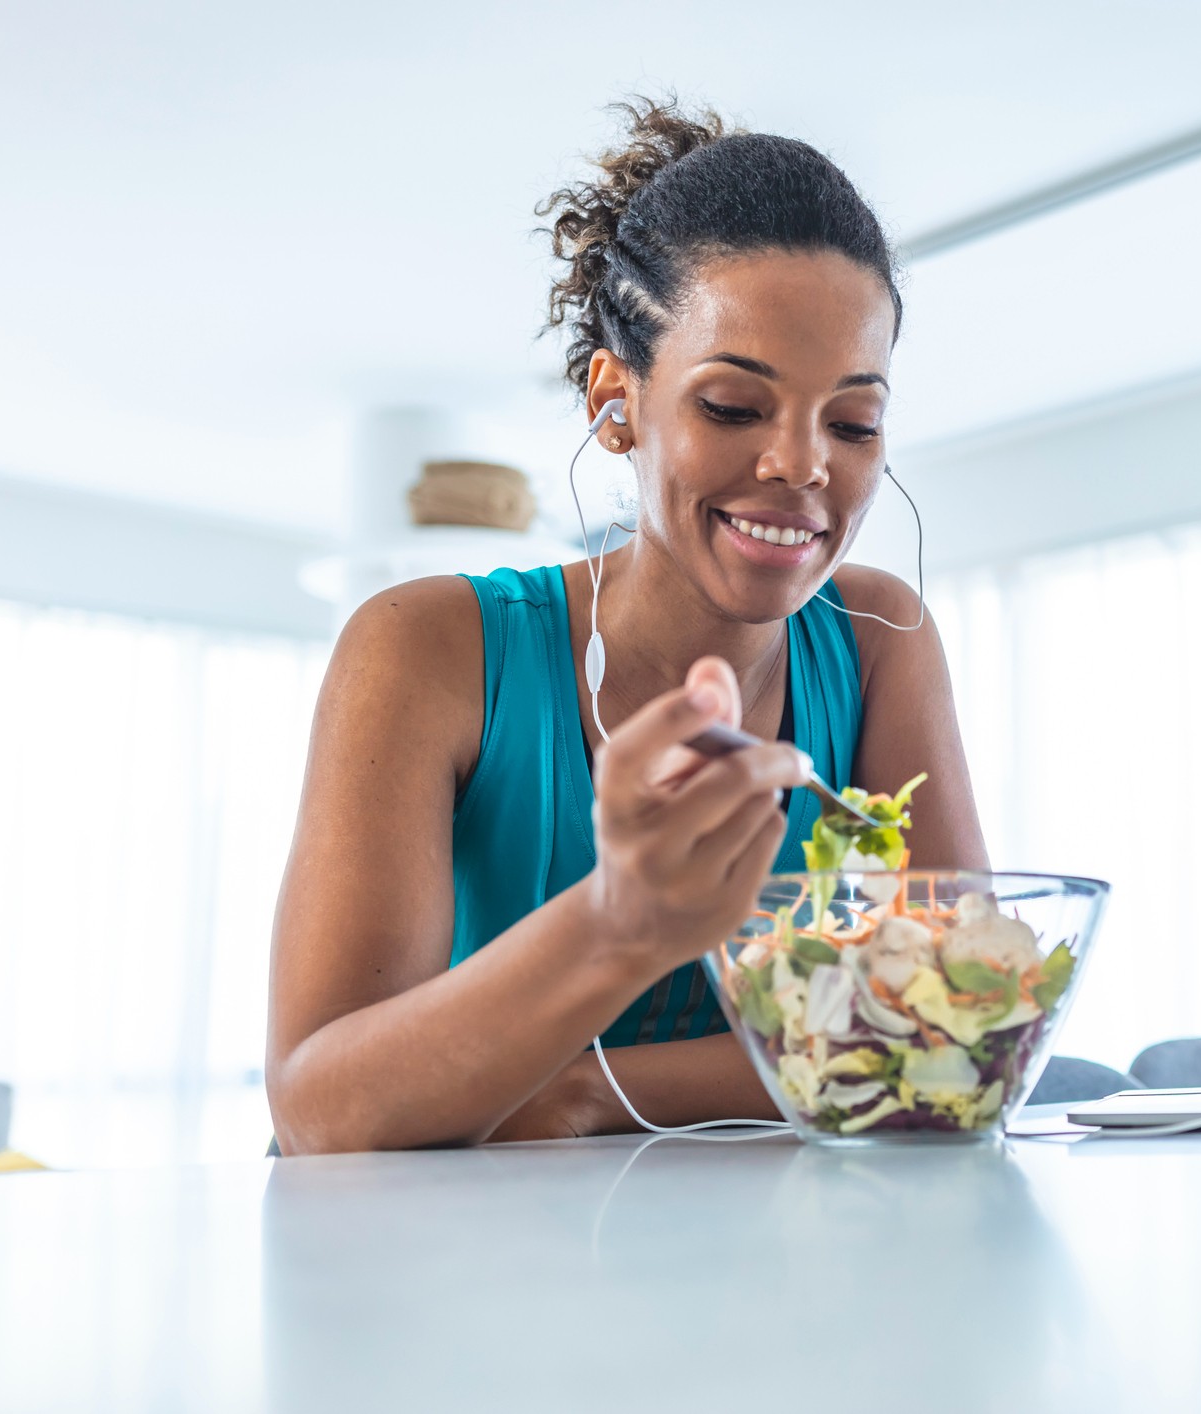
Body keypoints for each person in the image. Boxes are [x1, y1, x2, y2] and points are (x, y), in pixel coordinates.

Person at [266, 99, 987, 1154]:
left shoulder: (882, 640)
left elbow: (954, 1033)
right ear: (618, 402)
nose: (803, 466)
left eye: (853, 421)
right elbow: (324, 1112)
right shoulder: (423, 650)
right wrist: (618, 922)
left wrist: (578, 1091)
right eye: (735, 407)